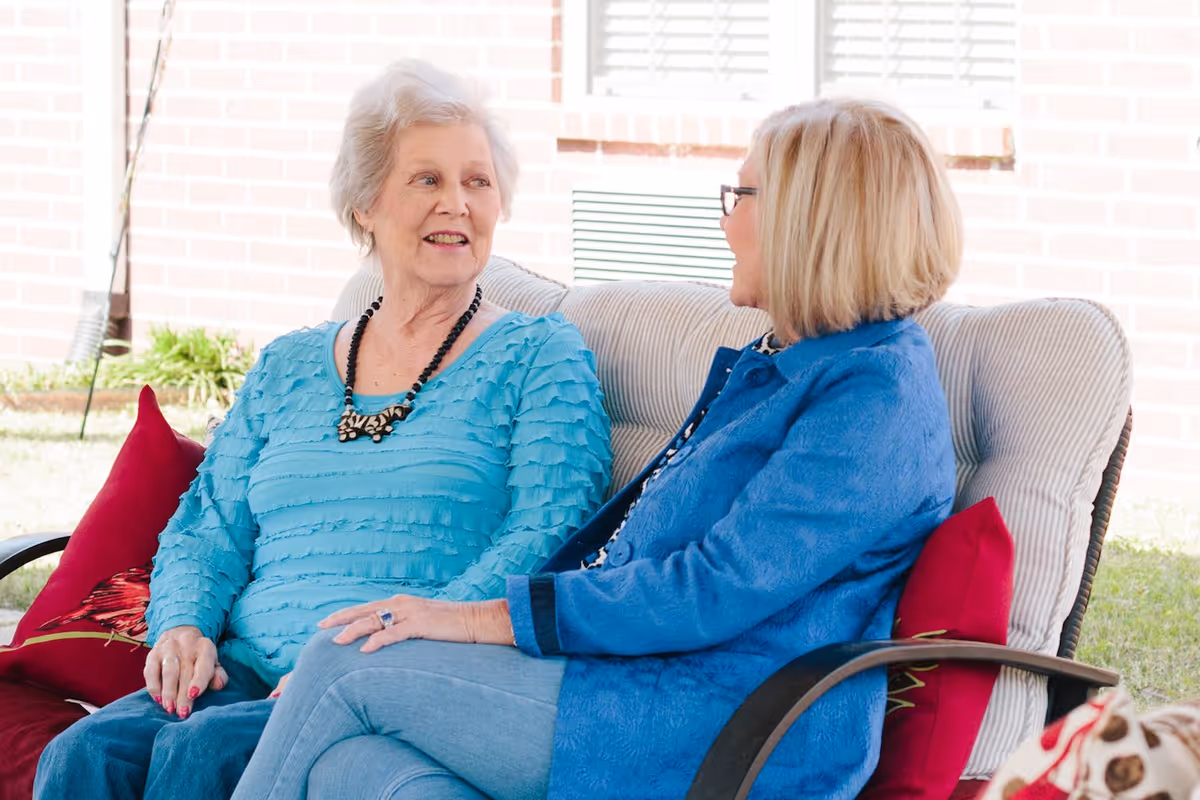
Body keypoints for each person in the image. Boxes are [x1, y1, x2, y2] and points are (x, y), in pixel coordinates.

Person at [231, 96, 963, 800]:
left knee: (341, 660)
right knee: (354, 772)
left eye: (740, 196)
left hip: (707, 723)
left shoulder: (875, 399)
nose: (726, 222)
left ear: (813, 220)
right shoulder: (790, 360)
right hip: (626, 681)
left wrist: (473, 620)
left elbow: (709, 590)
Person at [33, 60, 612, 800]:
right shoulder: (290, 365)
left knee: (201, 756)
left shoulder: (540, 356)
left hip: (391, 672)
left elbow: (549, 534)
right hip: (239, 670)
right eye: (427, 180)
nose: (458, 205)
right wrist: (182, 626)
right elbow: (207, 526)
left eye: (478, 182)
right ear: (366, 204)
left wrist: (356, 658)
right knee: (82, 755)